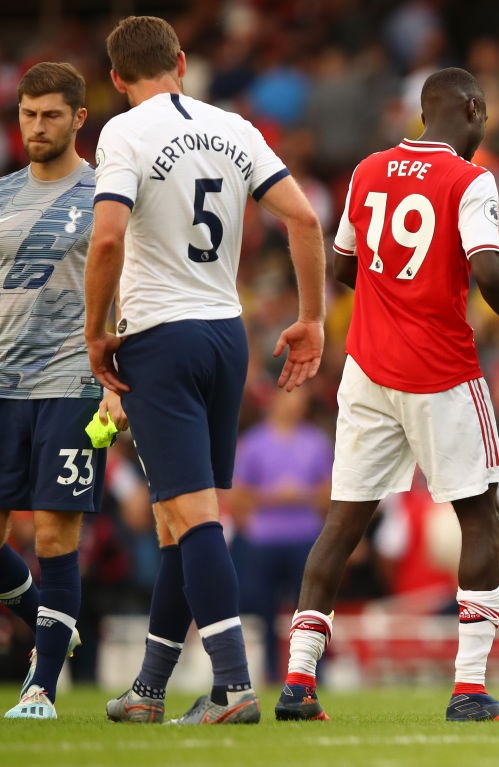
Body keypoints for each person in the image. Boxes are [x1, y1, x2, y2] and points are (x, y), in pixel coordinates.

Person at [277, 66, 499, 723]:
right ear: (470, 107)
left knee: (342, 523)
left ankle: (297, 681)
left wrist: (390, 304)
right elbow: (488, 266)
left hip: (367, 369)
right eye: (485, 116)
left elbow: (343, 264)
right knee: (481, 517)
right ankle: (468, 688)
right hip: (440, 371)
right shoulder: (469, 179)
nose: (487, 128)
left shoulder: (369, 170)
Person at [84, 16, 326, 725]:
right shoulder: (237, 126)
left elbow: (105, 239)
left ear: (118, 79)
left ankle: (231, 686)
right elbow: (305, 220)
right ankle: (149, 691)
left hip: (160, 337)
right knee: (178, 524)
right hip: (227, 334)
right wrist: (311, 318)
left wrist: (98, 333)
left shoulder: (122, 133)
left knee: (194, 521)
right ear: (182, 63)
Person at [0, 62, 127, 720]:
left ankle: (41, 686)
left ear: (79, 118)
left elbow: (130, 292)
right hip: (3, 385)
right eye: (28, 114)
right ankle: (46, 617)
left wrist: (115, 384)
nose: (36, 126)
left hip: (73, 384)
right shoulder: (3, 195)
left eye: (51, 114)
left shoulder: (107, 193)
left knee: (53, 535)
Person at [230, 385, 332, 682]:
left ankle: (313, 673)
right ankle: (272, 674)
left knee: (311, 607)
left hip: (305, 537)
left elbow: (329, 494)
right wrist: (274, 498)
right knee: (265, 614)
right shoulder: (253, 443)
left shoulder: (316, 442)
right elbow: (237, 497)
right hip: (265, 542)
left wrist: (300, 496)